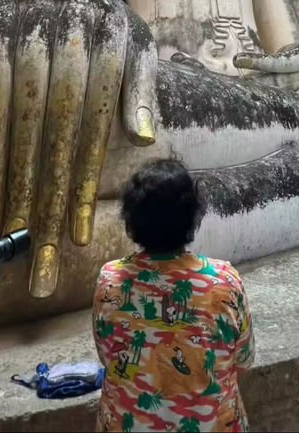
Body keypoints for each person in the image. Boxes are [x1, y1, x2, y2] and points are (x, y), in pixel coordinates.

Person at [93, 159, 254, 433]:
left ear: (131, 219)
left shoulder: (111, 280)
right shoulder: (224, 280)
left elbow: (107, 356)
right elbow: (245, 358)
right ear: (192, 215)